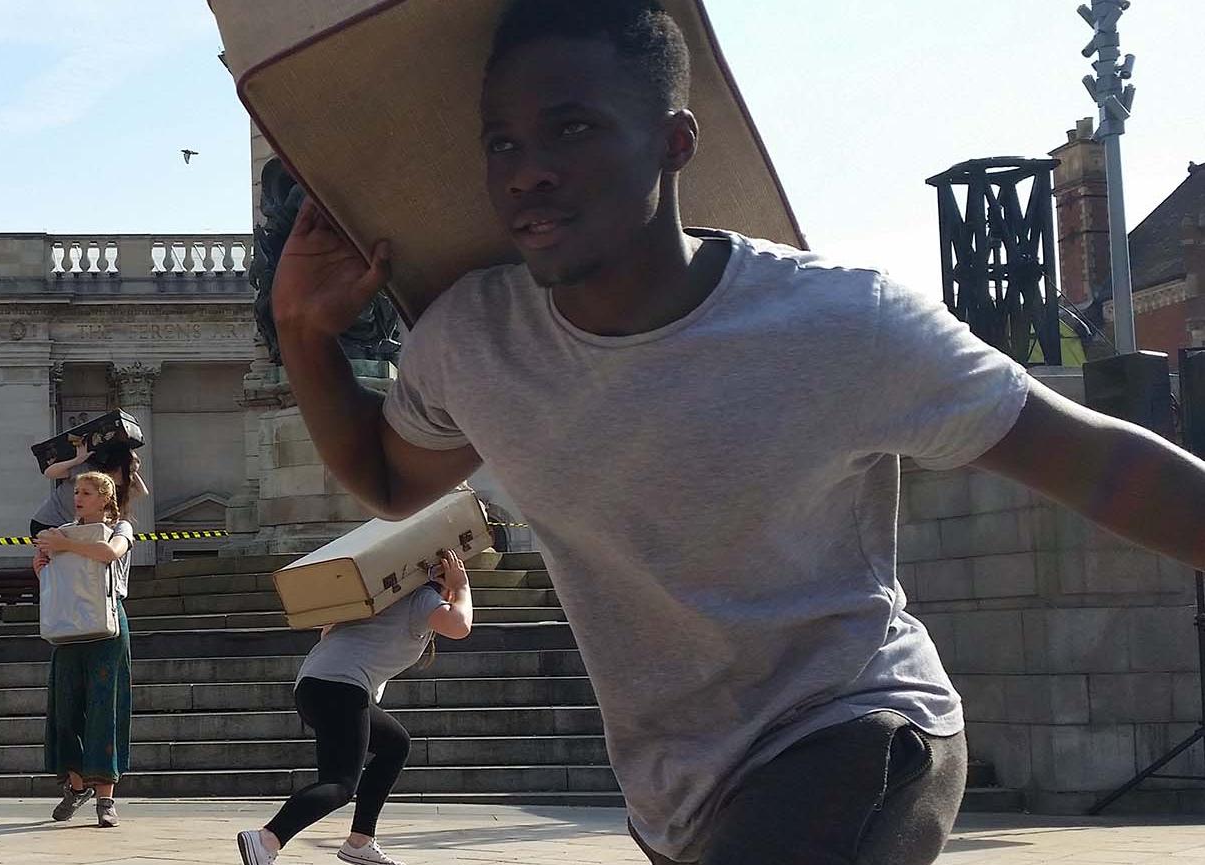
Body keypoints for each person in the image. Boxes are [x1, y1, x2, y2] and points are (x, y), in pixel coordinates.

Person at [265, 1, 1205, 862]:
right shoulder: (473, 341)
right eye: (501, 143)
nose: (528, 170)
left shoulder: (840, 323)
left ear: (675, 143)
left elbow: (1099, 461)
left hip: (856, 722)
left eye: (573, 128)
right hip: (672, 789)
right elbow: (392, 484)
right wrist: (307, 332)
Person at [237, 549, 475, 865]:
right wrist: (462, 586)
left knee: (394, 744)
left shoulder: (379, 599)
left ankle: (360, 841)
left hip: (315, 686)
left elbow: (329, 632)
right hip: (340, 688)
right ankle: (267, 839)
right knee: (339, 785)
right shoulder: (420, 599)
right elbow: (459, 626)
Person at [31, 471, 136, 828]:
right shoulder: (61, 532)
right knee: (67, 707)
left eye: (87, 492)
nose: (78, 497)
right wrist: (42, 566)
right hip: (69, 625)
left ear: (105, 499)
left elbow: (109, 553)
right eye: (76, 491)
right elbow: (58, 576)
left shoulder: (121, 528)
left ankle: (106, 799)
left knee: (105, 706)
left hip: (107, 627)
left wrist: (64, 546)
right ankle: (76, 786)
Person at [31, 441, 149, 537]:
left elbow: (142, 492)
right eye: (130, 473)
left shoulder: (113, 488)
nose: (131, 477)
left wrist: (132, 468)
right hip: (49, 523)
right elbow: (49, 473)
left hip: (73, 528)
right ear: (118, 468)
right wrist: (78, 460)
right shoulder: (88, 472)